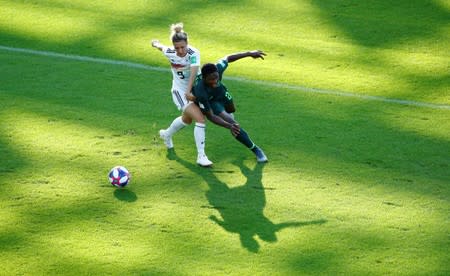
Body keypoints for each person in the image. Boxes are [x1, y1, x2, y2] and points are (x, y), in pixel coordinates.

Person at [151, 22, 212, 167]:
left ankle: (166, 134)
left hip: (192, 90)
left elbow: (193, 71)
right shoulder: (170, 52)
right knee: (200, 119)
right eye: (177, 48)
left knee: (187, 120)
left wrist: (190, 91)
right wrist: (155, 43)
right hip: (179, 92)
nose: (180, 50)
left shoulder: (193, 53)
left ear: (187, 44)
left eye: (182, 47)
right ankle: (201, 156)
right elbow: (162, 48)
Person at [191, 50, 268, 163]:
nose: (215, 81)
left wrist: (249, 53)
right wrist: (229, 126)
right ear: (204, 78)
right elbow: (211, 116)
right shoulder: (200, 91)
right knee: (234, 124)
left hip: (221, 93)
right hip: (211, 102)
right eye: (211, 79)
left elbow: (227, 58)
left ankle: (227, 116)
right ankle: (256, 150)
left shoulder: (217, 68)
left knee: (232, 109)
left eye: (216, 77)